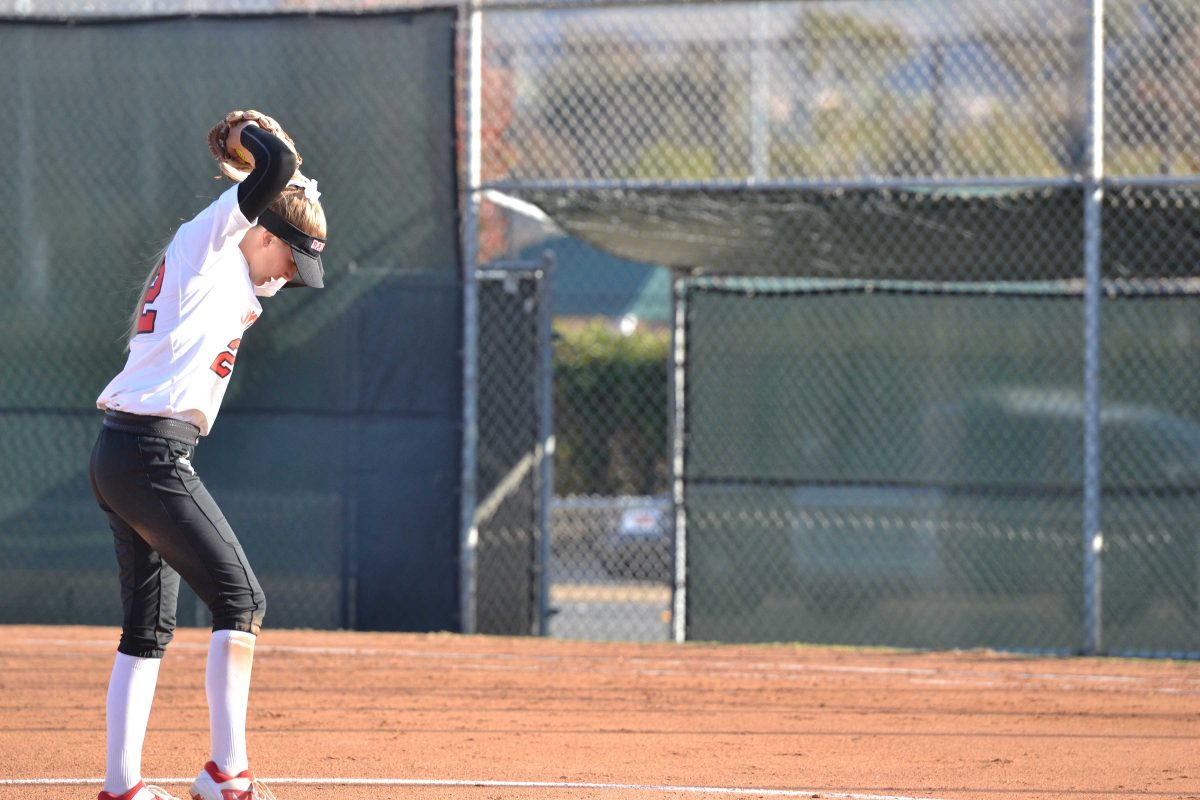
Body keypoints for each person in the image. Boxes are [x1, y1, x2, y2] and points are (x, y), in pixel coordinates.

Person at [88, 113, 327, 800]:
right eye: (290, 257)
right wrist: (250, 138)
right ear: (257, 233)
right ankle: (229, 774)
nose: (290, 275)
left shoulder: (242, 273)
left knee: (147, 630)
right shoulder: (209, 243)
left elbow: (288, 191)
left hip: (125, 454)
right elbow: (274, 170)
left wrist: (290, 168)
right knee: (241, 598)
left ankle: (122, 787)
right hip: (150, 456)